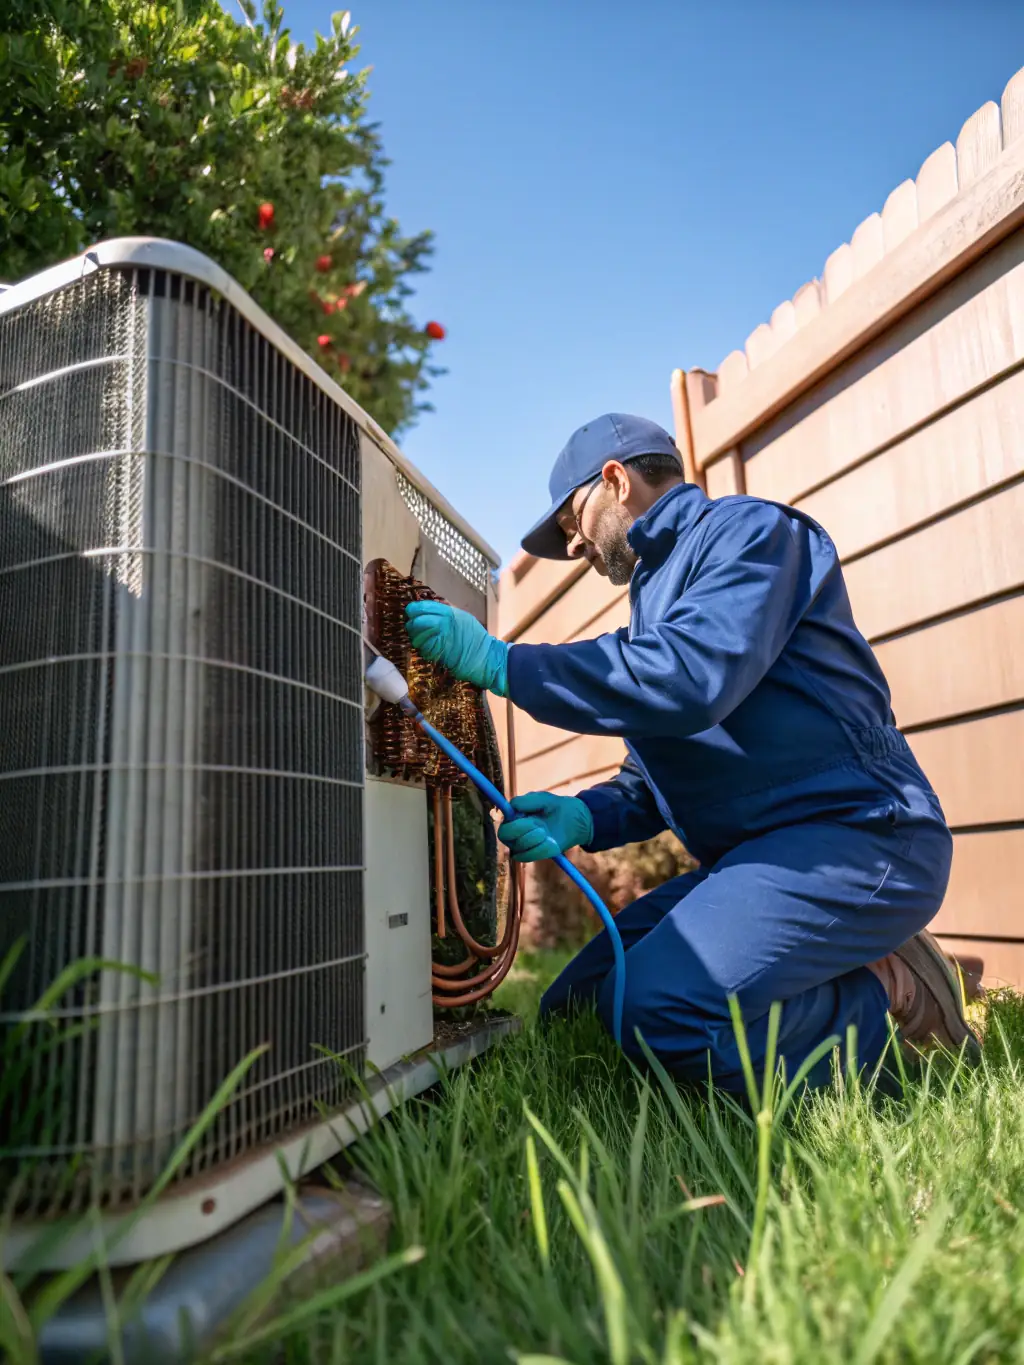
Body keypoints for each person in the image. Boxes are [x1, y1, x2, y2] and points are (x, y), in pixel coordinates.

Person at [405, 413, 979, 1090]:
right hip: (759, 858)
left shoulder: (750, 536)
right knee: (575, 1011)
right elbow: (652, 778)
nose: (574, 544)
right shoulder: (656, 597)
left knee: (659, 1010)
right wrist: (582, 816)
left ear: (615, 480)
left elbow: (690, 678)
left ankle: (886, 998)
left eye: (571, 521)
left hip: (861, 837)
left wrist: (505, 665)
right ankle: (833, 969)